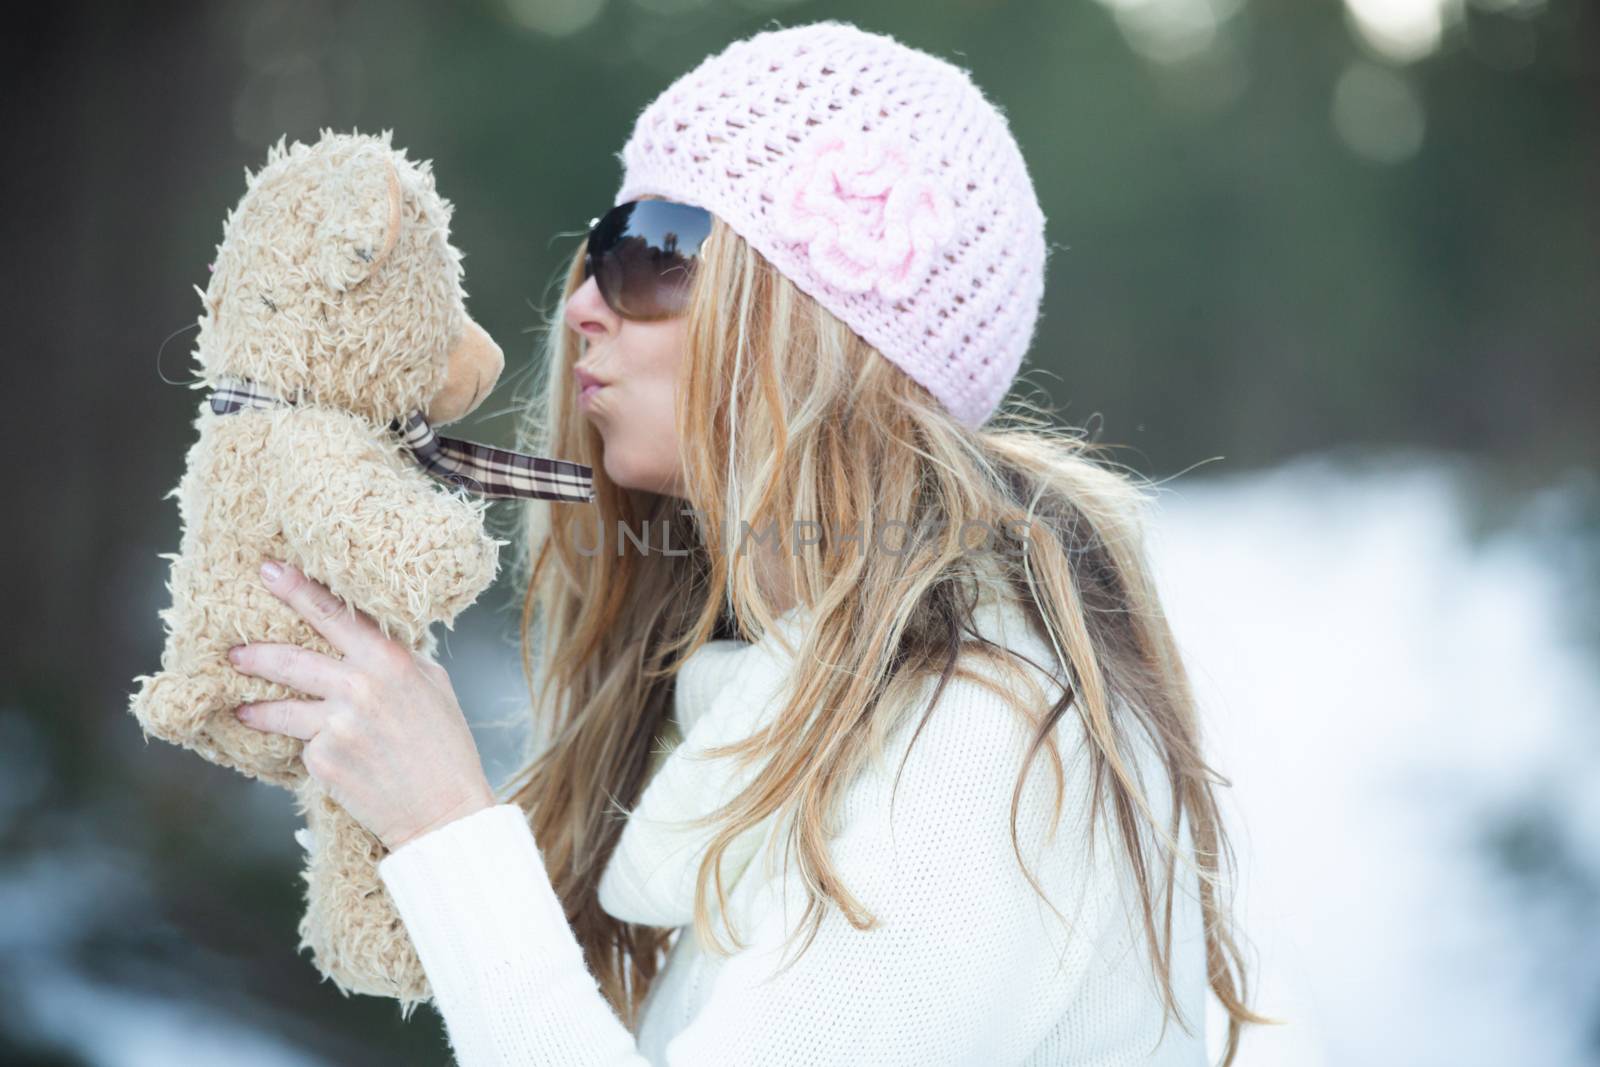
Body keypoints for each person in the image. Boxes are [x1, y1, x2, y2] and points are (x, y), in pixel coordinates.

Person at [227, 19, 1275, 1066]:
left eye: (658, 250)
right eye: (600, 248)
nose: (584, 303)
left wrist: (447, 824)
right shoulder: (787, 707)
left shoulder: (985, 747)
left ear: (812, 320)